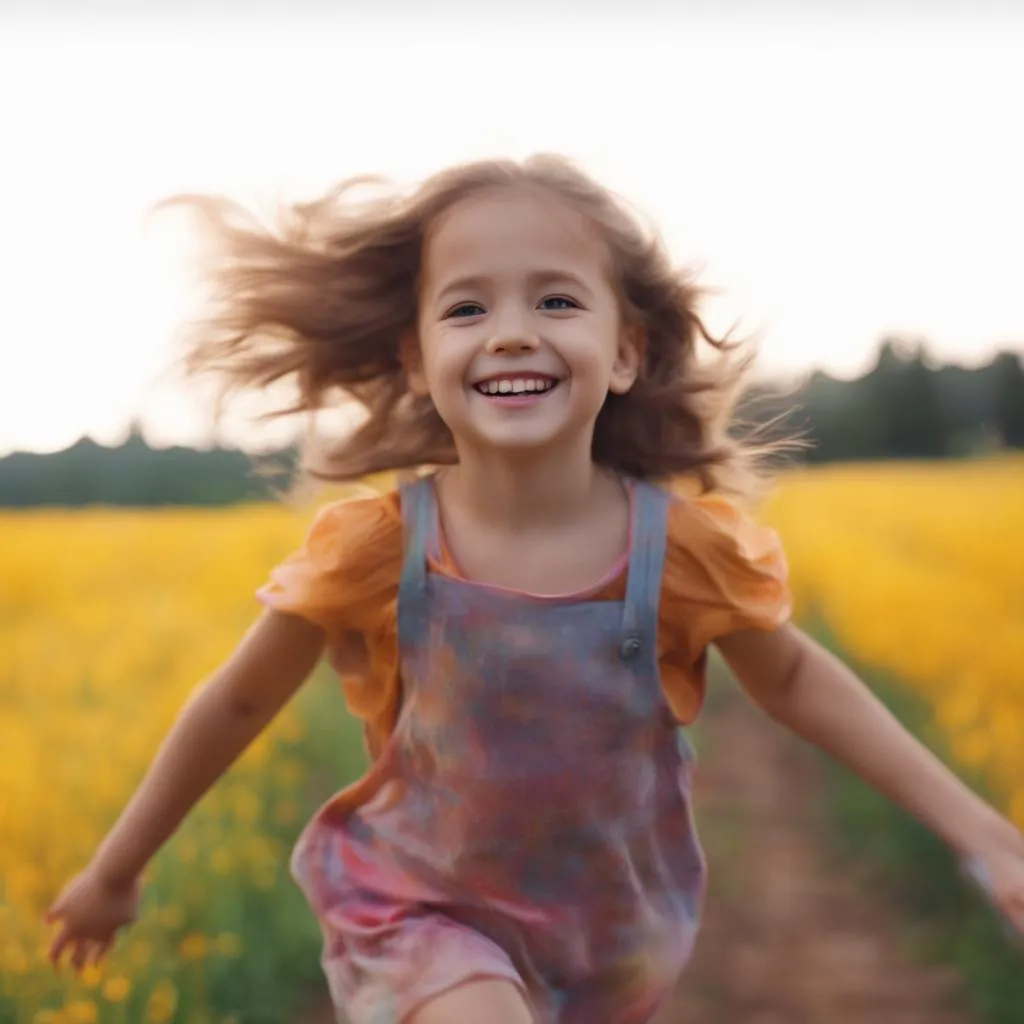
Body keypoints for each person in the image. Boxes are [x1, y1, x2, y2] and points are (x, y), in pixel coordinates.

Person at [45, 154, 1024, 1023]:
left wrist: (984, 834)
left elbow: (799, 682)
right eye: (467, 308)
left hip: (608, 934)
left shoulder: (677, 553)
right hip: (417, 910)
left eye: (555, 302)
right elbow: (238, 699)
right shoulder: (380, 547)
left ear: (628, 350)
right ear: (417, 362)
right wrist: (114, 870)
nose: (510, 333)